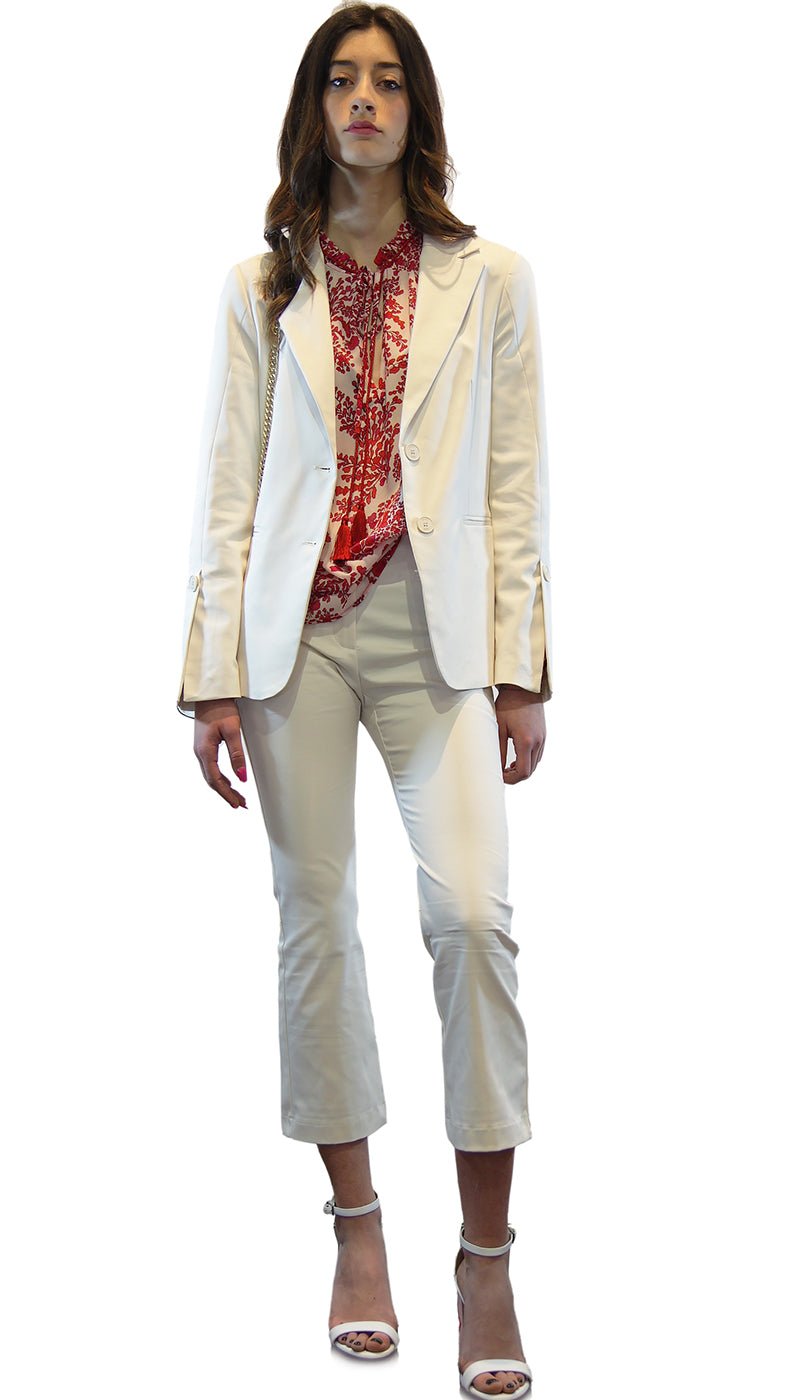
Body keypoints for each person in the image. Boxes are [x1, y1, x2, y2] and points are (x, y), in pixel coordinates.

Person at [176, 4, 553, 1394]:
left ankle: (487, 1255)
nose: (364, 101)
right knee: (316, 925)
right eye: (341, 80)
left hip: (438, 639)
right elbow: (229, 483)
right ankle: (357, 1229)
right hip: (297, 646)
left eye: (388, 81)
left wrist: (521, 665)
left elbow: (513, 478)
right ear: (313, 109)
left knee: (472, 921)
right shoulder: (260, 286)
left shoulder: (490, 279)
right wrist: (211, 676)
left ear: (417, 111)